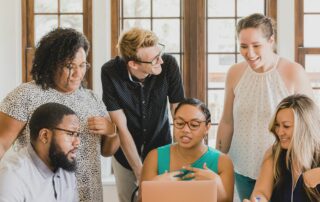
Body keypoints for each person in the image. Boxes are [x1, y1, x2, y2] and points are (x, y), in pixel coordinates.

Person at [0, 28, 119, 202]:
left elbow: (108, 151)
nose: (78, 73)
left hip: (91, 195)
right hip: (43, 193)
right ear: (51, 63)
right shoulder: (25, 95)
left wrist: (112, 131)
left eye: (82, 65)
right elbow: (2, 142)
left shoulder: (92, 98)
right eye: (70, 66)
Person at [215, 13, 313, 200]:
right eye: (243, 46)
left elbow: (311, 123)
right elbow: (227, 121)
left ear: (271, 40)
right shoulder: (234, 73)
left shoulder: (293, 72)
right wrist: (218, 159)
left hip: (282, 167)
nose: (249, 53)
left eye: (256, 46)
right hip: (242, 167)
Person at [101, 27, 184, 202]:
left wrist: (181, 157)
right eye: (154, 60)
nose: (160, 61)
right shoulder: (110, 72)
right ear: (133, 64)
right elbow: (120, 127)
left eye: (159, 54)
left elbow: (179, 115)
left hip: (161, 148)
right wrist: (140, 173)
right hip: (125, 154)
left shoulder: (168, 64)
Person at [140, 98, 234, 202]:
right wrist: (155, 187)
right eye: (179, 123)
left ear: (207, 128)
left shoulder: (223, 162)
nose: (185, 130)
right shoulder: (154, 157)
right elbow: (141, 200)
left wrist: (218, 186)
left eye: (194, 125)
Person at [243, 94, 320, 202]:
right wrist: (258, 200)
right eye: (277, 125)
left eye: (286, 126)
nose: (279, 132)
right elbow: (260, 193)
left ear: (304, 127)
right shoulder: (274, 153)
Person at [0, 103, 80, 202]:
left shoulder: (66, 170)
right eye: (70, 133)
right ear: (45, 136)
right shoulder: (12, 177)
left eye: (77, 134)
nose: (77, 142)